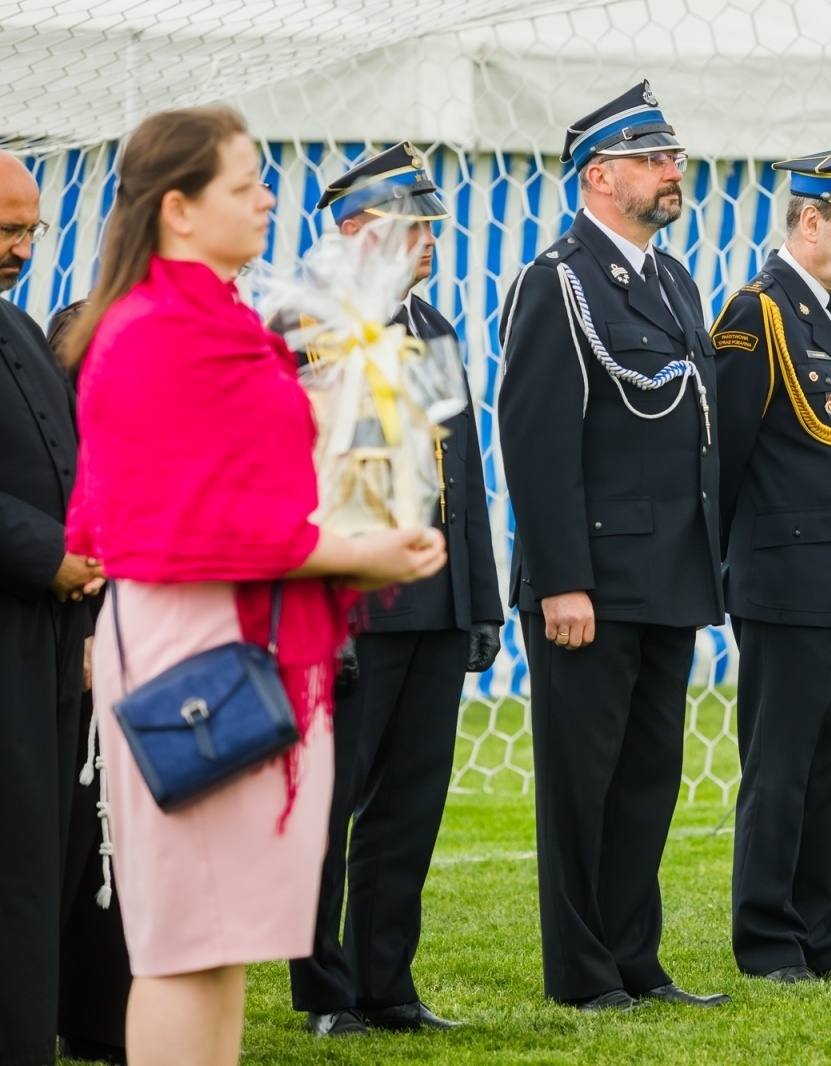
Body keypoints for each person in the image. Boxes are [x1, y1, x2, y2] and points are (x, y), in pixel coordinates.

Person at [62, 105, 447, 1066]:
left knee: (223, 942)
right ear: (180, 210)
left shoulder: (219, 317)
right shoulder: (154, 327)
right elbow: (183, 525)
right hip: (193, 649)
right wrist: (357, 554)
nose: (269, 198)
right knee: (184, 945)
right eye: (245, 184)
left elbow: (254, 465)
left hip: (245, 642)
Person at [498, 81, 727, 1012]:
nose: (674, 173)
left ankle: (638, 960)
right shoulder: (557, 278)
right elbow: (537, 439)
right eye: (654, 159)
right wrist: (560, 580)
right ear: (600, 176)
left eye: (672, 157)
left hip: (670, 572)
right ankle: (584, 974)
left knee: (647, 782)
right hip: (591, 581)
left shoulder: (671, 278)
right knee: (581, 787)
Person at [288, 144, 504, 1038]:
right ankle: (325, 991)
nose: (428, 244)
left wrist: (480, 601)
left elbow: (460, 474)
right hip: (348, 602)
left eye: (430, 229)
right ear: (352, 230)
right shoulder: (307, 324)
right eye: (411, 228)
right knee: (331, 807)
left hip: (434, 597)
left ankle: (388, 982)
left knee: (410, 805)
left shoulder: (434, 327)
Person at [711, 147, 831, 983]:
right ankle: (766, 940)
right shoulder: (758, 312)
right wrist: (730, 577)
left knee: (829, 772)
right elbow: (725, 460)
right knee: (781, 772)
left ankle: (818, 936)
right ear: (810, 220)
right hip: (788, 585)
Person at [0, 149, 101, 1066]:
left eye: (28, 228)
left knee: (38, 857)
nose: (19, 247)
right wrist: (49, 559)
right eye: (3, 228)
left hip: (47, 638)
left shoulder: (25, 331)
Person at [46, 298, 133, 1066]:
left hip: (147, 632)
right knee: (72, 832)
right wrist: (81, 633)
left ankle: (105, 1016)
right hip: (72, 631)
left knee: (127, 837)